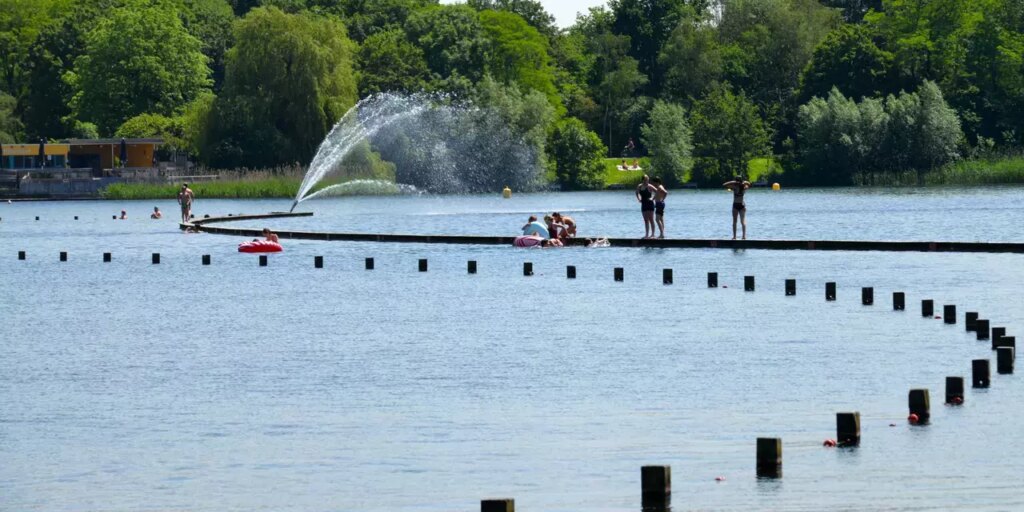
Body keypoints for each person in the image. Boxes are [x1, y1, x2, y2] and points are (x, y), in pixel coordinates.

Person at [724, 175, 751, 240]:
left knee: (735, 222)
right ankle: (743, 236)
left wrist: (733, 182)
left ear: (736, 181)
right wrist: (744, 182)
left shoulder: (734, 187)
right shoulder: (744, 187)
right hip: (741, 205)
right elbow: (749, 184)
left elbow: (724, 185)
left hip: (736, 205)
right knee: (742, 221)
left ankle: (735, 237)